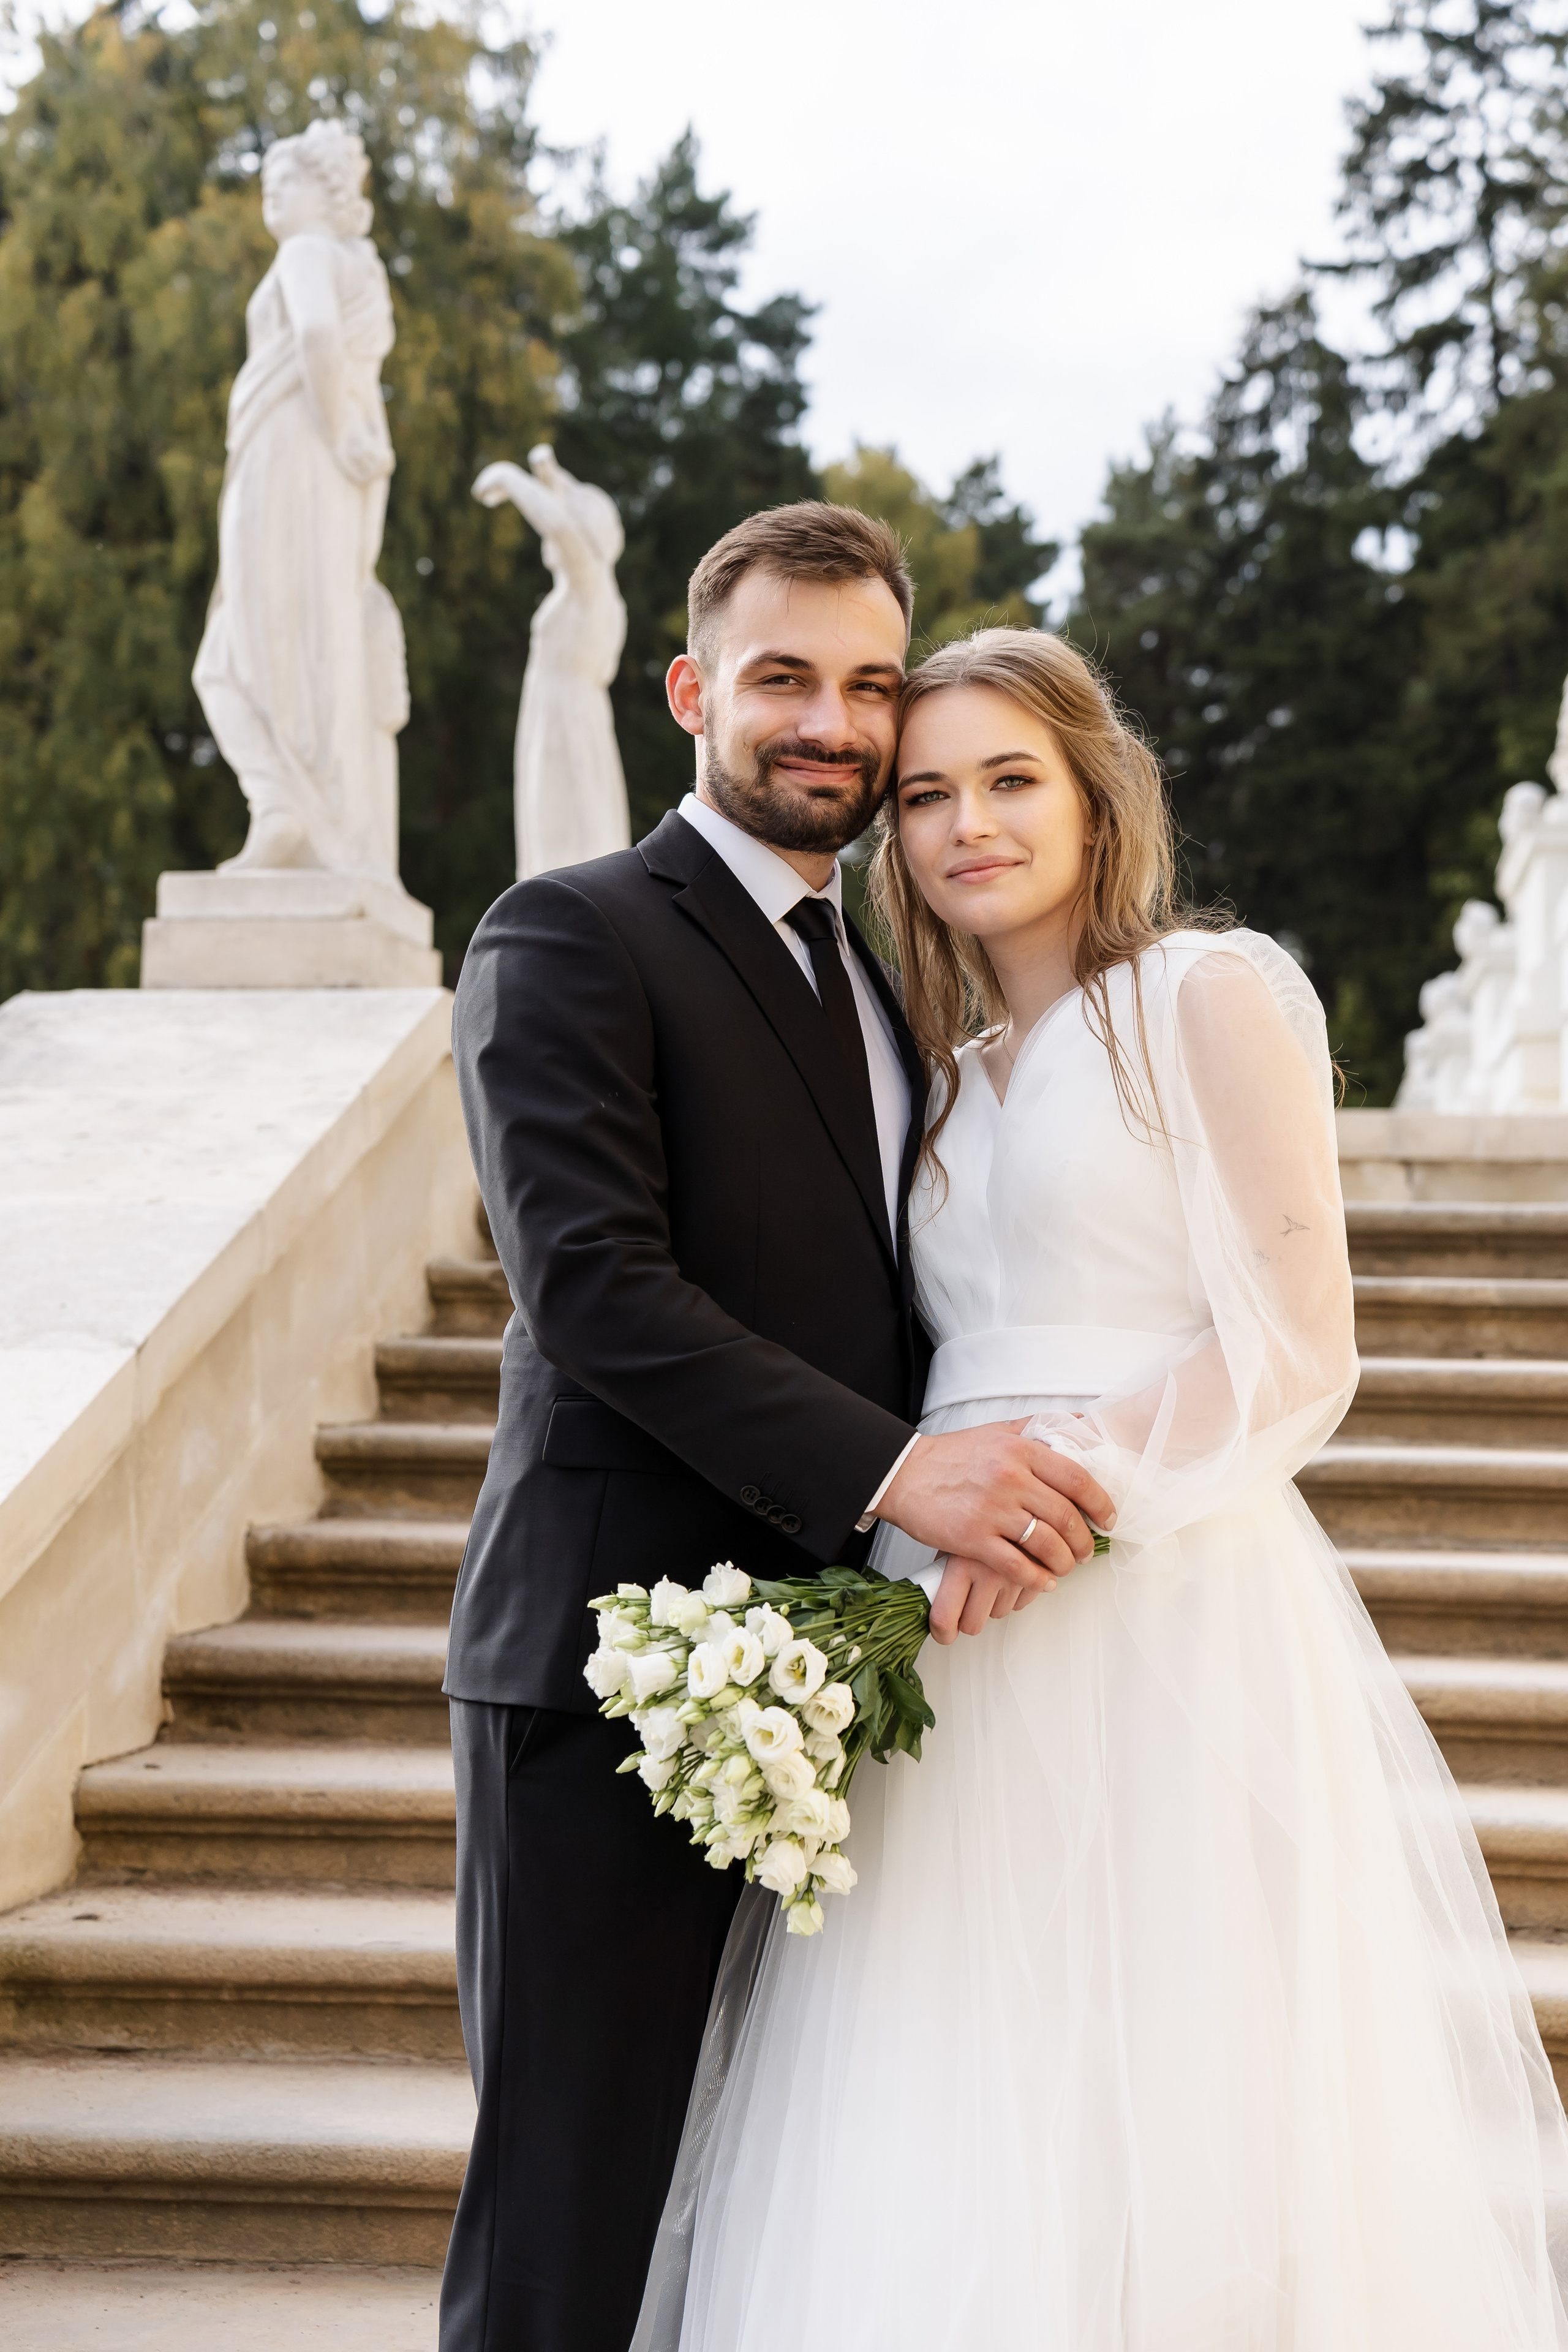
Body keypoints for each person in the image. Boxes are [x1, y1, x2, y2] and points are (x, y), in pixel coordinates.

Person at [648, 628, 1568, 2351]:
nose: (964, 825)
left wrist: (1063, 1497)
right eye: (926, 794)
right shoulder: (935, 1068)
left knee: (1178, 2061)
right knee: (952, 2060)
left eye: (1010, 781)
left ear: (1095, 796)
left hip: (1158, 1585)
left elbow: (1296, 1343)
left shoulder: (1206, 997)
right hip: (949, 1613)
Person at [442, 513, 1112, 2352]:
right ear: (692, 693)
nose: (833, 721)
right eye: (786, 679)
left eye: (871, 685)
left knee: (750, 2220)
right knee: (575, 2219)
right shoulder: (568, 934)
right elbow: (591, 1285)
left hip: (829, 1684)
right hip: (609, 1673)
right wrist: (907, 1474)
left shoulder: (893, 974)